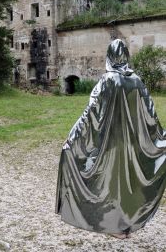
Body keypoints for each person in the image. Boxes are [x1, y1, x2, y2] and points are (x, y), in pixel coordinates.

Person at [55, 39, 166, 239]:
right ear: (126, 56)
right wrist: (160, 139)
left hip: (112, 143)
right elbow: (150, 117)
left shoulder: (107, 82)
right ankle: (125, 225)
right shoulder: (137, 81)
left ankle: (115, 226)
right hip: (131, 145)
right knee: (127, 185)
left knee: (112, 184)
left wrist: (72, 140)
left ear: (109, 57)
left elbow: (91, 114)